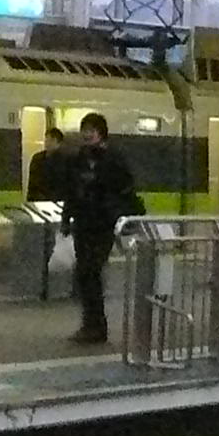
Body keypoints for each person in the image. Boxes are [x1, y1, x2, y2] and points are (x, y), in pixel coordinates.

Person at [65, 109, 143, 347]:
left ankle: (97, 326)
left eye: (90, 131)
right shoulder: (79, 158)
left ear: (101, 133)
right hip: (83, 222)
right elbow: (72, 189)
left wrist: (102, 190)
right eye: (84, 131)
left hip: (103, 223)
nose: (86, 135)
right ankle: (90, 324)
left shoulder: (113, 159)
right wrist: (66, 217)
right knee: (83, 274)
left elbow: (123, 186)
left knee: (92, 271)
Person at [22, 126, 77, 302]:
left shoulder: (68, 160)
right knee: (44, 250)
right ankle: (44, 287)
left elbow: (69, 185)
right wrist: (31, 204)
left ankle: (62, 286)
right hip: (41, 208)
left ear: (58, 142)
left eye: (50, 140)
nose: (46, 143)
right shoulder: (37, 159)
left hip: (59, 209)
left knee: (60, 250)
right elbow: (33, 184)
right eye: (46, 139)